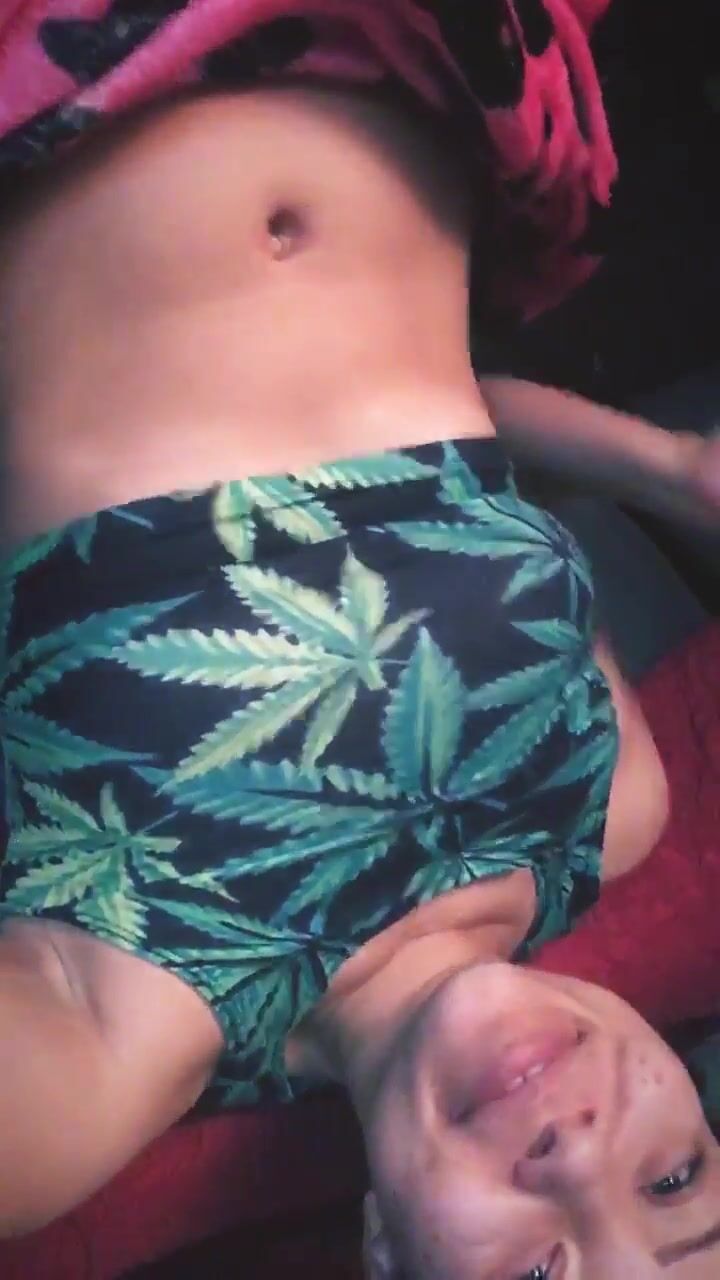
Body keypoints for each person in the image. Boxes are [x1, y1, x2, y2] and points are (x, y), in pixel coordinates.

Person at [1, 82, 719, 1279]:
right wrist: (675, 469)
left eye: (540, 1275)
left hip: (67, 76)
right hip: (416, 68)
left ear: (384, 1253)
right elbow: (461, 459)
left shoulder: (116, 1037)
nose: (580, 1155)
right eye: (674, 1179)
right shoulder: (612, 809)